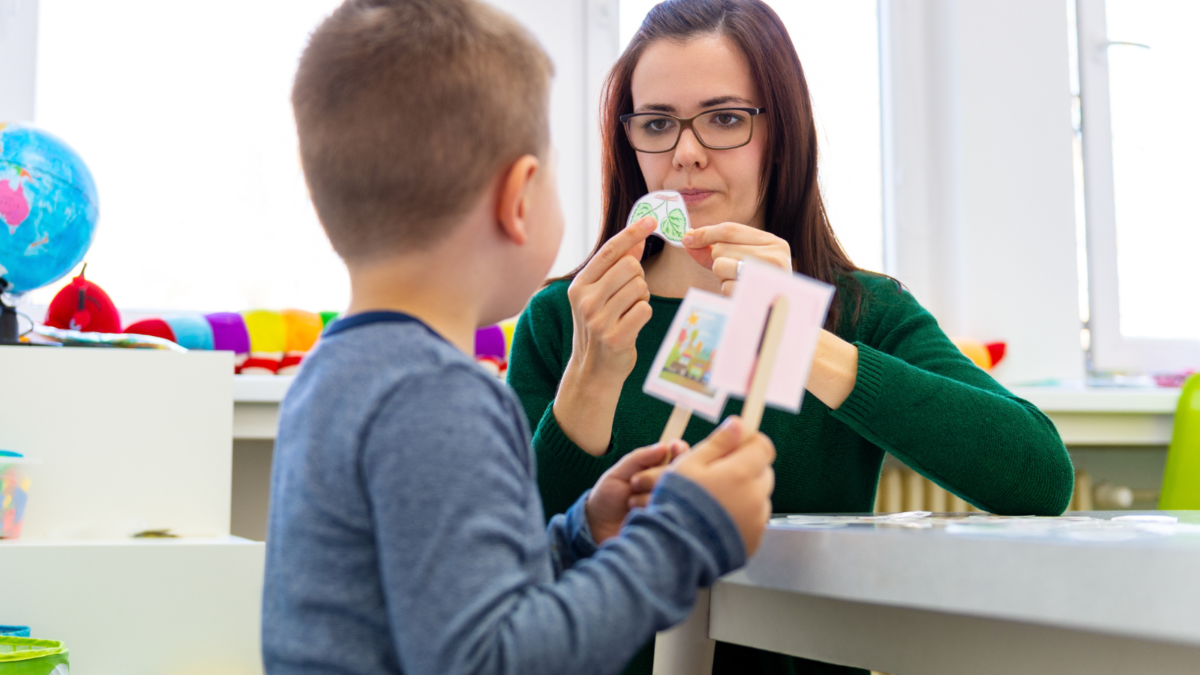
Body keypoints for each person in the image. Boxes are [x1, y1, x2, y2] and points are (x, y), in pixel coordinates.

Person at [507, 0, 1076, 673]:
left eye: (724, 119)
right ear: (627, 138)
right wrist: (591, 380)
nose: (686, 154)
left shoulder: (864, 310)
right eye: (657, 124)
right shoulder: (563, 316)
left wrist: (805, 340)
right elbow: (510, 578)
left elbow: (1040, 476)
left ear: (784, 132)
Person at [261, 1, 778, 674]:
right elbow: (492, 660)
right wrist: (686, 530)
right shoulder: (441, 396)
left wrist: (581, 530)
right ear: (520, 197)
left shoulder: (332, 374)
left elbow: (447, 597)